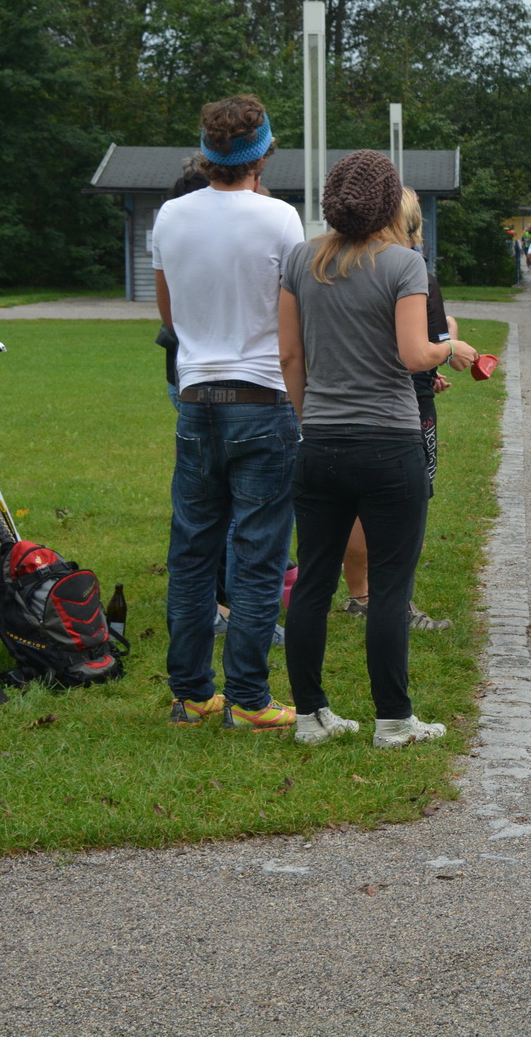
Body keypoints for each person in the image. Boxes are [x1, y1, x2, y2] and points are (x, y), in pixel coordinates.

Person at [279, 151, 477, 747]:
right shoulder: (403, 265)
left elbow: (290, 357)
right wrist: (453, 345)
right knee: (391, 585)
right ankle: (393, 719)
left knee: (313, 581)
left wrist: (309, 417)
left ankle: (310, 715)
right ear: (391, 203)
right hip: (390, 442)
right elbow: (417, 355)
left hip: (320, 443)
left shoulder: (299, 260)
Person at [153, 94, 302, 731]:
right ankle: (248, 696)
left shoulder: (169, 215)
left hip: (195, 399)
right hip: (262, 398)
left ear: (208, 151)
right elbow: (293, 321)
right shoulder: (280, 219)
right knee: (260, 551)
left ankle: (190, 692)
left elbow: (168, 317)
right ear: (263, 152)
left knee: (192, 551)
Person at [341, 187, 459, 632]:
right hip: (406, 408)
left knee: (353, 506)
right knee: (409, 506)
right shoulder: (416, 274)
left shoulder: (344, 268)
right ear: (412, 226)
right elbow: (425, 349)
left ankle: (360, 595)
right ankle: (399, 605)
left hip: (347, 405)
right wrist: (451, 344)